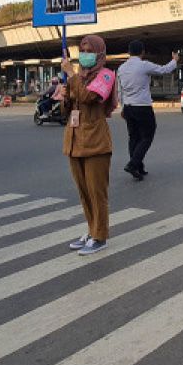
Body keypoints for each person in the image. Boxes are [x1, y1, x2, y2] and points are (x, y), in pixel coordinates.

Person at [61, 35, 117, 255]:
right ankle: (91, 229)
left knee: (97, 192)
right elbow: (71, 106)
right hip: (75, 140)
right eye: (82, 49)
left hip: (96, 142)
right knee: (84, 192)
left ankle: (100, 235)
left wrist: (71, 74)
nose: (84, 54)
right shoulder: (80, 76)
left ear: (99, 52)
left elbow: (87, 98)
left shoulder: (106, 75)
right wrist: (65, 96)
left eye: (88, 49)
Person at [117, 39, 179, 180]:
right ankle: (133, 164)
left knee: (133, 137)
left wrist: (122, 106)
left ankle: (138, 167)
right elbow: (164, 70)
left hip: (128, 107)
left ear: (128, 52)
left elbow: (119, 90)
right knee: (147, 137)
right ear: (142, 52)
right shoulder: (144, 65)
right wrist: (174, 60)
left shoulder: (121, 68)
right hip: (142, 107)